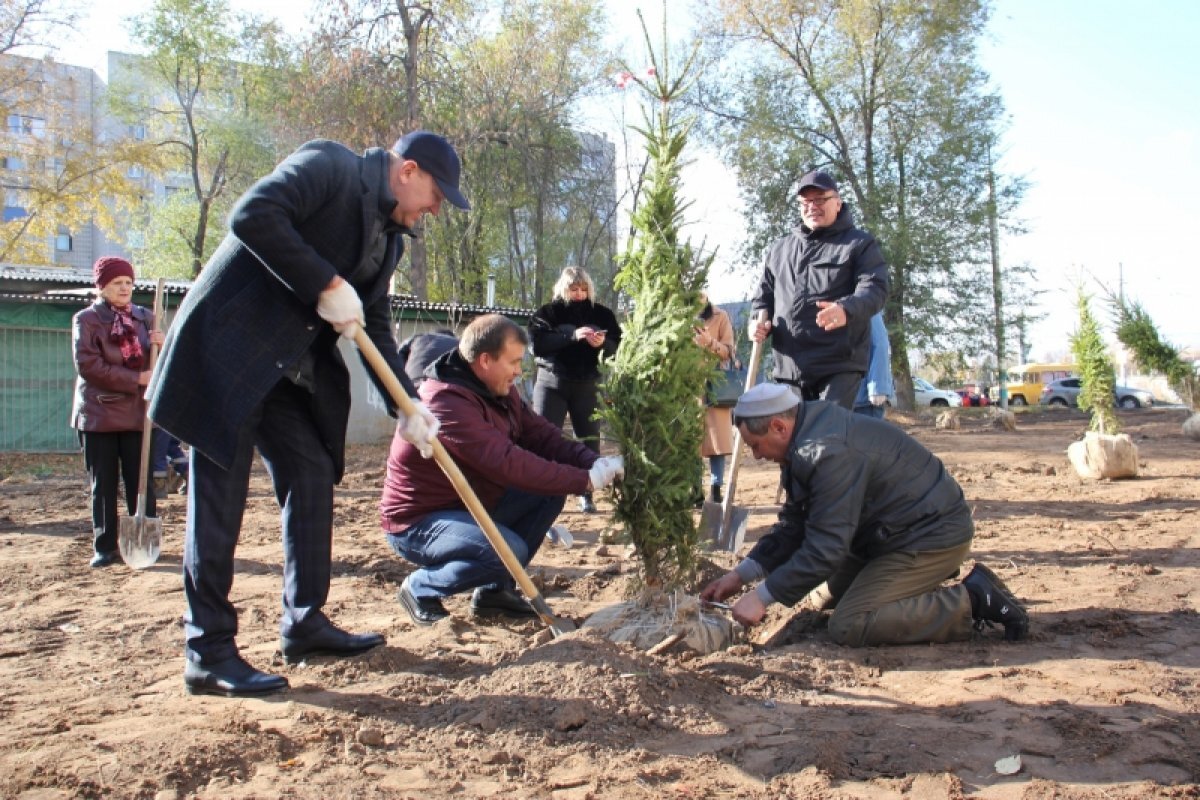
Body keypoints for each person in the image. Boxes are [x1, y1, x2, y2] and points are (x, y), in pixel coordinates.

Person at [148, 130, 467, 698]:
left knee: (312, 472)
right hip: (229, 352)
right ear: (409, 170)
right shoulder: (330, 166)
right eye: (438, 195)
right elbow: (253, 214)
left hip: (287, 373)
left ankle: (304, 621)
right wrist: (323, 280)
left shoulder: (388, 240)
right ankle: (208, 650)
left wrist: (407, 403)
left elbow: (375, 326)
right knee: (219, 500)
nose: (437, 209)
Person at [701, 383, 1029, 645]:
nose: (757, 456)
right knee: (817, 598)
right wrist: (739, 576)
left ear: (778, 427)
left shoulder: (827, 453)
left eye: (755, 445)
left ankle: (972, 600)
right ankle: (907, 589)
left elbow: (826, 548)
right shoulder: (805, 435)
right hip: (885, 533)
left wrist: (761, 597)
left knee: (849, 624)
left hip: (928, 535)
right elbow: (794, 525)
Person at [382, 314, 623, 625]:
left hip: (468, 504)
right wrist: (586, 480)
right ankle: (420, 587)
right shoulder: (445, 402)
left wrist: (592, 461)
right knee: (506, 551)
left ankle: (495, 594)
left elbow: (541, 435)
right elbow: (507, 464)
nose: (518, 372)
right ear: (485, 360)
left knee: (548, 495)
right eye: (513, 362)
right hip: (419, 522)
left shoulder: (497, 389)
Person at [750, 170, 889, 409]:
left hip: (837, 366)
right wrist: (757, 322)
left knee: (824, 438)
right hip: (789, 369)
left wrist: (846, 309)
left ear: (838, 202)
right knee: (793, 443)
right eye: (806, 201)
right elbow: (763, 298)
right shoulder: (779, 250)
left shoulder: (859, 244)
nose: (812, 206)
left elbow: (875, 288)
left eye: (820, 199)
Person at [71, 257, 164, 568]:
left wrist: (162, 346)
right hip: (99, 413)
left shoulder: (146, 318)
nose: (125, 288)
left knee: (141, 482)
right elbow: (88, 366)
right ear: (102, 287)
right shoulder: (86, 319)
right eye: (117, 283)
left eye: (128, 282)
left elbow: (161, 366)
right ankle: (105, 547)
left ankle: (144, 541)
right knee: (104, 484)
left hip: (139, 414)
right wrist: (135, 379)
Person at [529, 266, 622, 513]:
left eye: (583, 289)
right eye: (574, 289)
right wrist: (571, 336)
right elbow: (538, 344)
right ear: (564, 288)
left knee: (590, 440)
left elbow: (618, 347)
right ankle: (539, 492)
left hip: (588, 385)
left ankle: (586, 493)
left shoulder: (602, 315)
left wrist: (604, 344)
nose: (579, 294)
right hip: (552, 384)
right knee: (543, 438)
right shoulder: (547, 313)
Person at [694, 293, 736, 503]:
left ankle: (716, 487)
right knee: (690, 439)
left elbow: (728, 351)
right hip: (689, 386)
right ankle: (694, 491)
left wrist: (709, 342)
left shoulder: (721, 316)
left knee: (716, 441)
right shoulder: (680, 318)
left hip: (716, 385)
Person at [852, 313, 894, 418]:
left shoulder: (866, 307)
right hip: (846, 397)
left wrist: (878, 388)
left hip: (866, 400)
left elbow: (880, 343)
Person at [151, 427, 189, 498]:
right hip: (172, 420)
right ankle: (188, 475)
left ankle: (159, 488)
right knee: (171, 447)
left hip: (159, 422)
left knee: (157, 450)